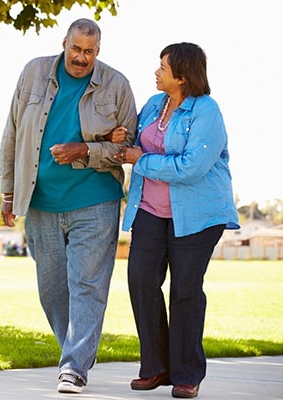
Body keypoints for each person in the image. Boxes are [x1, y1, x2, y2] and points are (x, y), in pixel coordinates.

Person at [0, 18, 137, 393]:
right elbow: (12, 131)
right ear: (64, 44)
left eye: (89, 52)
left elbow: (128, 149)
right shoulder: (34, 72)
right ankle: (75, 352)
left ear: (98, 51)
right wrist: (8, 193)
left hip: (95, 200)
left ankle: (74, 367)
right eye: (76, 49)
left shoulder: (116, 85)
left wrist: (86, 150)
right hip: (40, 201)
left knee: (87, 285)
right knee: (52, 289)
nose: (81, 58)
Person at [115, 43, 239, 399]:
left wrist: (140, 160)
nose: (156, 71)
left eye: (163, 67)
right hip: (150, 211)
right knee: (140, 280)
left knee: (185, 292)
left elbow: (191, 167)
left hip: (197, 216)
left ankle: (187, 374)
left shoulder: (207, 112)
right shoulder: (154, 105)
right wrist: (123, 139)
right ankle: (155, 367)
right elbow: (137, 141)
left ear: (182, 76)